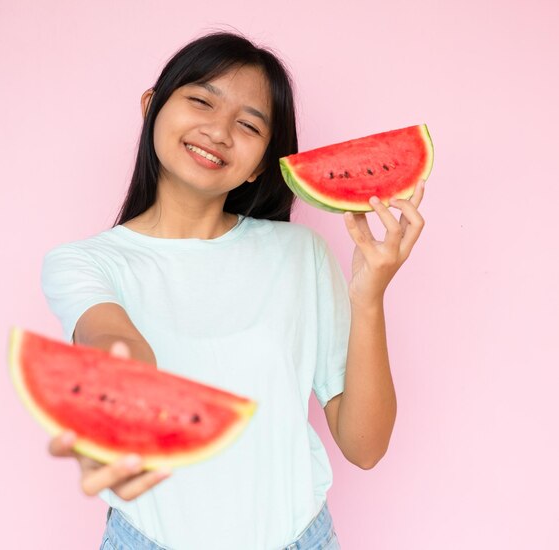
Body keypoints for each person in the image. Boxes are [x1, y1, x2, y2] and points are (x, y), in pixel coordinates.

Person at [42, 30, 426, 550]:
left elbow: (365, 446)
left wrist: (369, 297)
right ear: (152, 107)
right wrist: (123, 375)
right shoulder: (85, 263)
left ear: (265, 163)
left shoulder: (299, 254)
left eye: (248, 125)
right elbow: (110, 335)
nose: (219, 131)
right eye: (201, 100)